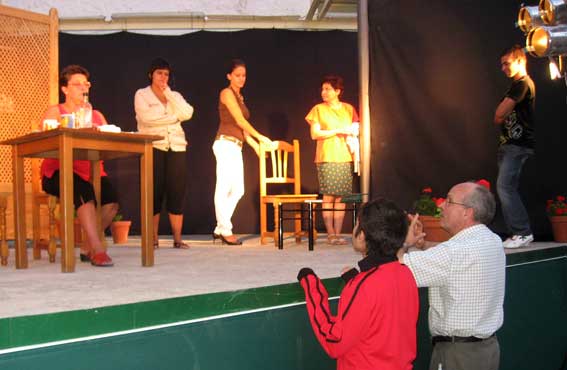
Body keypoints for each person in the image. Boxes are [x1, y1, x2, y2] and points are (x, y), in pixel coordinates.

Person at [297, 198, 419, 370]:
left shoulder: (364, 286)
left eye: (356, 225)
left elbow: (334, 341)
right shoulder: (405, 273)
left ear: (362, 235)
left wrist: (311, 286)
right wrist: (356, 280)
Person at [399, 182, 506, 370]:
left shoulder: (453, 253)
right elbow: (453, 257)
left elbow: (397, 269)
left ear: (468, 212)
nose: (441, 206)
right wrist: (424, 245)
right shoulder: (493, 240)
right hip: (487, 350)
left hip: (458, 356)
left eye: (449, 201)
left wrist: (405, 243)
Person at [41, 64, 118, 267]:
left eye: (86, 84)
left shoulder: (97, 116)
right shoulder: (55, 112)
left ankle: (86, 246)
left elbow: (108, 145)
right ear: (65, 89)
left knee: (111, 202)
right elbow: (45, 141)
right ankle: (98, 250)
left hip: (92, 170)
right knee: (84, 192)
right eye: (77, 84)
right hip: (59, 170)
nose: (83, 88)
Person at [135, 58, 194, 249]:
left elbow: (188, 113)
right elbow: (146, 118)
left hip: (176, 146)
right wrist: (173, 118)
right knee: (154, 191)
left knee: (177, 191)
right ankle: (153, 239)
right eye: (159, 73)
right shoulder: (142, 94)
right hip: (154, 146)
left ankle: (177, 238)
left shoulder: (174, 94)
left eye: (166, 74)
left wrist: (168, 93)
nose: (163, 77)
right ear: (151, 74)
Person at [212, 59, 272, 245]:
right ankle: (225, 229)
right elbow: (239, 120)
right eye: (237, 75)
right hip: (224, 143)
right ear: (229, 76)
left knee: (238, 190)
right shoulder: (226, 93)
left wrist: (255, 146)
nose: (241, 79)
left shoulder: (240, 97)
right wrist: (261, 137)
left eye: (244, 75)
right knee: (224, 188)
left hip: (236, 145)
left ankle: (220, 227)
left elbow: (243, 129)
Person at [305, 75, 359, 245]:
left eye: (328, 89)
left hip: (345, 156)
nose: (324, 92)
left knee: (341, 197)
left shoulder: (349, 109)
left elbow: (355, 128)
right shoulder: (318, 109)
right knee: (328, 195)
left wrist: (350, 130)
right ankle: (330, 234)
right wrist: (336, 131)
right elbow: (315, 134)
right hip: (327, 157)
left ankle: (338, 232)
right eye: (323, 89)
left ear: (337, 91)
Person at [494, 45, 535, 249]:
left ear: (520, 61)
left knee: (505, 187)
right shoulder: (515, 85)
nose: (503, 68)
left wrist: (500, 113)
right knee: (506, 187)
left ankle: (522, 232)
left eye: (507, 63)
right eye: (501, 64)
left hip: (517, 145)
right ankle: (518, 232)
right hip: (509, 144)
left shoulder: (522, 84)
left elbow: (500, 114)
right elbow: (498, 115)